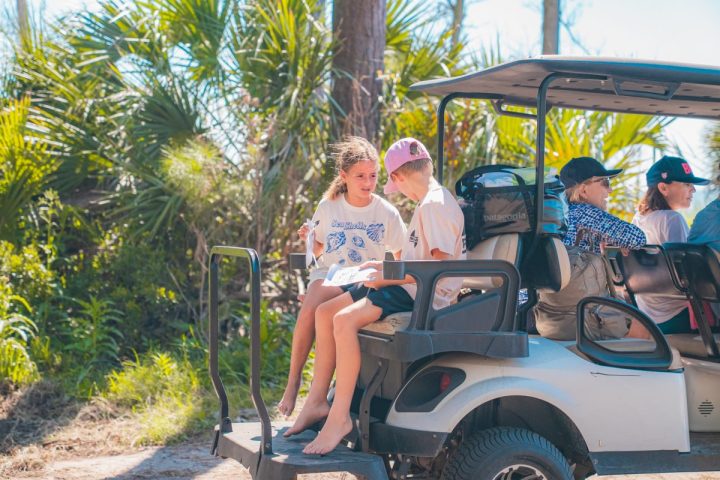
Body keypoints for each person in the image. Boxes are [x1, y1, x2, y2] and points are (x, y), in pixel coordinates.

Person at [284, 137, 466, 455]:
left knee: (342, 320)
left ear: (396, 177)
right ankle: (315, 402)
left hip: (417, 295)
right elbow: (420, 260)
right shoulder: (431, 202)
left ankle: (339, 418)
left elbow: (438, 268)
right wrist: (381, 268)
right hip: (407, 287)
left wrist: (386, 276)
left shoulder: (435, 205)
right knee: (324, 312)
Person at [277, 136, 406, 417]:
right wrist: (309, 239)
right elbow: (320, 251)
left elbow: (400, 254)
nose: (368, 182)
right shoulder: (328, 207)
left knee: (316, 303)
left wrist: (390, 280)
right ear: (344, 176)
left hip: (359, 277)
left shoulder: (386, 212)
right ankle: (293, 381)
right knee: (312, 303)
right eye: (360, 176)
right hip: (330, 273)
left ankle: (318, 393)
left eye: (372, 176)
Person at [534, 156, 647, 341]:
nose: (609, 190)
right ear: (584, 190)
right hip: (584, 317)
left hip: (552, 317)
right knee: (644, 326)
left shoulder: (556, 215)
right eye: (604, 182)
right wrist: (619, 241)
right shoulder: (586, 212)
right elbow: (638, 237)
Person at [632, 156, 710, 334]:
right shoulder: (672, 219)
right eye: (686, 184)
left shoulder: (638, 219)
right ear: (663, 187)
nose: (693, 190)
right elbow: (688, 275)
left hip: (649, 318)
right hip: (677, 318)